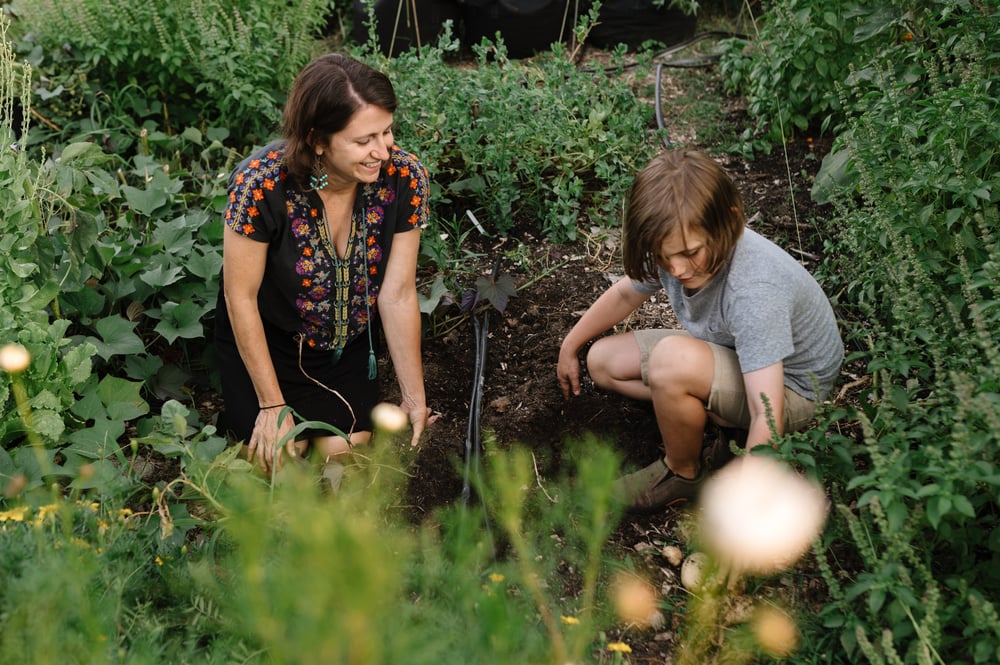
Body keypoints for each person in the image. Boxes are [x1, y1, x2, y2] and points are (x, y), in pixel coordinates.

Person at [557, 150, 843, 512]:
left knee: (670, 362)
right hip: (740, 356)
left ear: (729, 221)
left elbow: (767, 414)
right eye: (664, 257)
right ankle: (701, 414)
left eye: (690, 253)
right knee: (602, 362)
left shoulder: (753, 291)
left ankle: (683, 473)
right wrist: (571, 344)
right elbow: (626, 293)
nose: (676, 269)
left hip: (793, 389)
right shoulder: (673, 239)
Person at [214, 53, 434, 474]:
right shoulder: (261, 185)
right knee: (277, 460)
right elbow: (239, 296)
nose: (383, 151)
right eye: (364, 140)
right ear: (317, 140)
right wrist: (271, 406)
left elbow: (398, 294)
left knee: (343, 451)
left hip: (344, 342)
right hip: (268, 338)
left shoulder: (404, 178)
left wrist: (413, 396)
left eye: (387, 131)